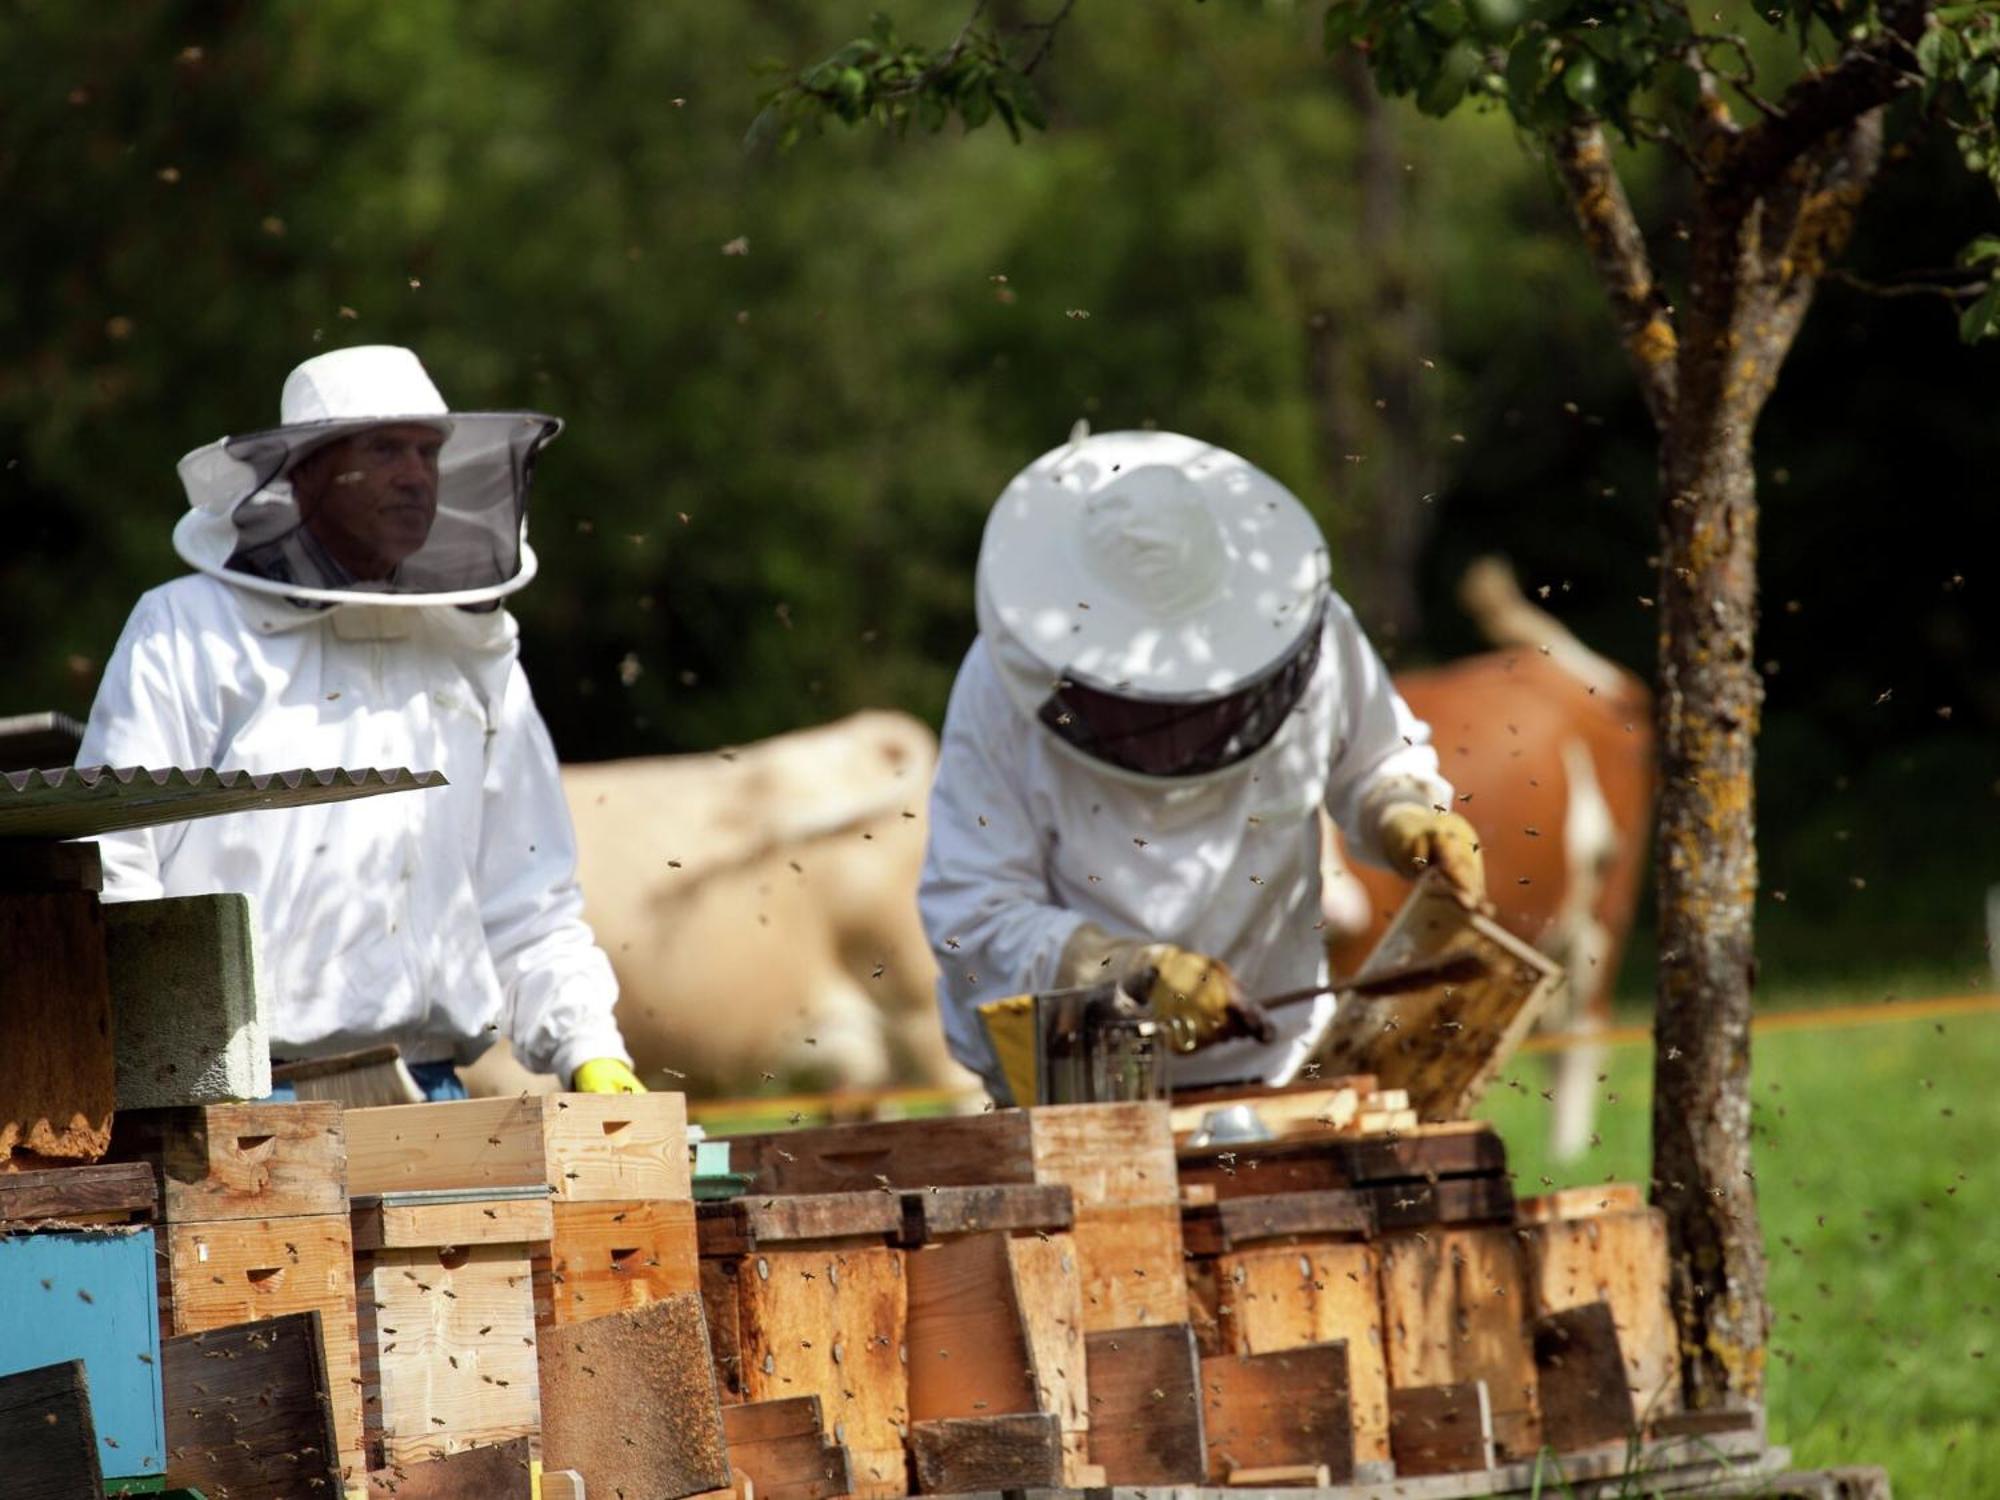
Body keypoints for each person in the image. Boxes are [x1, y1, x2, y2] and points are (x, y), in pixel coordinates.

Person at [78, 344, 643, 1098]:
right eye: (384, 450)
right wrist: (165, 1066)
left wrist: (589, 1046)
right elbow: (115, 859)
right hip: (235, 1096)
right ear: (305, 471)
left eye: (428, 453)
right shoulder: (193, 628)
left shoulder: (470, 648)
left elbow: (528, 895)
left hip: (430, 1087)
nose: (415, 476)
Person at [918, 428, 1485, 1102]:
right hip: (1070, 1088)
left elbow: (1374, 759)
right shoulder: (1000, 688)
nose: (1176, 727)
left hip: (1279, 1070)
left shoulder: (1311, 631)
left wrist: (1405, 811)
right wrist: (1119, 968)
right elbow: (974, 917)